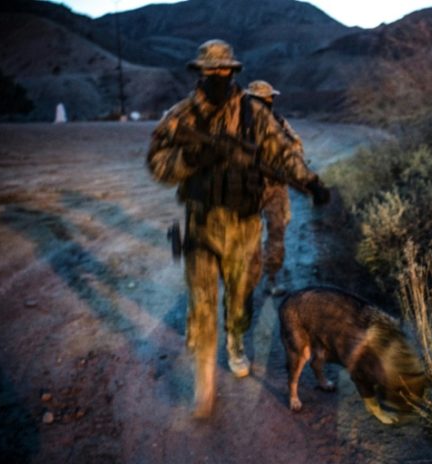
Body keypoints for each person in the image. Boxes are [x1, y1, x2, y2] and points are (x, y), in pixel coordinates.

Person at [146, 39, 329, 418]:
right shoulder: (182, 115)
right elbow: (158, 163)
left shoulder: (253, 114)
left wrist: (310, 182)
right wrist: (192, 156)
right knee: (201, 300)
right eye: (210, 71)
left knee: (241, 296)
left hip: (244, 225)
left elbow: (282, 153)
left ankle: (235, 341)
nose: (217, 77)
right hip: (201, 222)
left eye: (223, 71)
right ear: (200, 72)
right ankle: (204, 382)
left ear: (233, 72)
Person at [244, 80, 299, 296]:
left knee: (274, 233)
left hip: (270, 188)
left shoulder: (278, 122)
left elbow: (296, 147)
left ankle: (268, 277)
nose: (268, 102)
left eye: (268, 99)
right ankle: (260, 279)